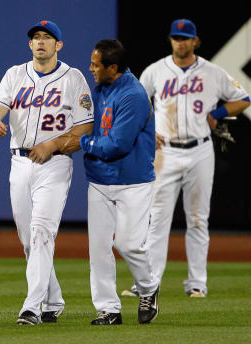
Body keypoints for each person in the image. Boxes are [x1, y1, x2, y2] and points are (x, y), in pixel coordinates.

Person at [123, 19, 251, 298]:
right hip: (164, 152)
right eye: (176, 37)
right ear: (171, 40)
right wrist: (146, 132)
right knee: (156, 220)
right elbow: (136, 104)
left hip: (200, 151)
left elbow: (243, 98)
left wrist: (216, 115)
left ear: (195, 41)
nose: (180, 42)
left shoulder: (213, 72)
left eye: (186, 38)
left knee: (196, 219)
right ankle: (149, 283)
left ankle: (197, 283)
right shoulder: (155, 71)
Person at [0, 20, 94, 325]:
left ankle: (31, 307)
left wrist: (54, 144)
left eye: (47, 37)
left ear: (59, 45)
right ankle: (53, 300)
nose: (40, 41)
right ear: (30, 44)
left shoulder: (73, 78)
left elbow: (86, 127)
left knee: (43, 232)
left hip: (55, 164)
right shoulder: (14, 74)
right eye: (36, 37)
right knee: (29, 240)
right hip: (19, 162)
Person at [74, 39, 160, 325]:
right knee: (98, 249)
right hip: (100, 181)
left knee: (128, 244)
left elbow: (117, 145)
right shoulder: (99, 89)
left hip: (133, 182)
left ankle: (148, 288)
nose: (91, 69)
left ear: (113, 67)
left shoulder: (133, 94)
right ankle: (108, 309)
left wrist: (84, 141)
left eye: (96, 64)